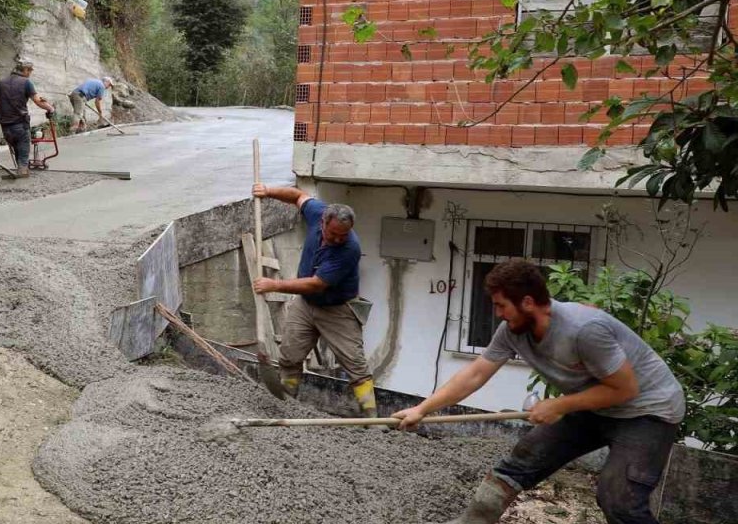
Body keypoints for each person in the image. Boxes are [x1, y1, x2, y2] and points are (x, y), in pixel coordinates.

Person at [393, 258, 685, 524]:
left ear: (528, 302)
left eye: (501, 305)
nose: (497, 314)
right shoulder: (512, 331)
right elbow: (474, 374)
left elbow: (625, 389)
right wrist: (422, 409)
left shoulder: (584, 329)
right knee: (518, 463)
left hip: (648, 411)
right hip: (594, 405)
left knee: (619, 500)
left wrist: (559, 405)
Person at [250, 183, 378, 417]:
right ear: (323, 222)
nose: (338, 239)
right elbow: (298, 196)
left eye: (343, 235)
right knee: (289, 355)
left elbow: (317, 284)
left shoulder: (350, 249)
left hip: (338, 310)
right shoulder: (318, 211)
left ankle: (373, 419)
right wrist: (267, 191)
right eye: (333, 234)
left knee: (355, 364)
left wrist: (275, 285)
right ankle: (286, 402)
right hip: (306, 304)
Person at [0, 59, 55, 177]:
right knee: (23, 151)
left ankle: (20, 170)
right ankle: (22, 174)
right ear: (25, 70)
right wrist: (50, 109)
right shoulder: (26, 82)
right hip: (20, 123)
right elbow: (37, 100)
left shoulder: (1, 82)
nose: (30, 73)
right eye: (29, 71)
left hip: (5, 125)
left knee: (17, 149)